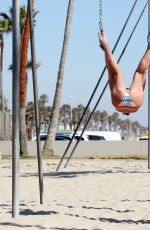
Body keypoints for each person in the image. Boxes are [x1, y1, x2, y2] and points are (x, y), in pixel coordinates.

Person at [99, 29, 150, 115]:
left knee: (139, 73)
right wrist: (106, 51)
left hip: (135, 105)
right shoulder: (117, 101)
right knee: (117, 73)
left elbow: (142, 80)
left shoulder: (134, 107)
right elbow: (110, 70)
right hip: (118, 104)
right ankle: (105, 44)